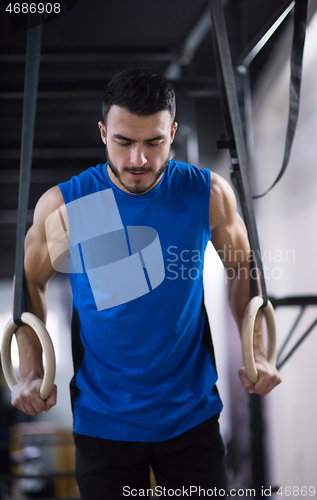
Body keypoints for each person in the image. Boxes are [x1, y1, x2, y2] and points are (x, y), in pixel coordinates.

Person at [11, 67, 281, 499]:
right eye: (124, 142)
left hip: (190, 416)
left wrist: (259, 352)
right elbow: (30, 284)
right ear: (103, 132)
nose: (138, 159)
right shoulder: (68, 206)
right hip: (104, 423)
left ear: (172, 132)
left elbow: (241, 267)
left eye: (154, 142)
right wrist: (30, 372)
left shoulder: (206, 194)